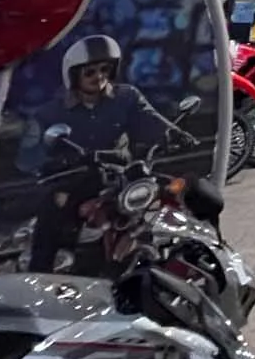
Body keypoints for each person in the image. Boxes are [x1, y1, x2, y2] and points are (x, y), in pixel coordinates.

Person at [19, 35, 172, 273]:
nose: (99, 76)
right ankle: (39, 277)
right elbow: (27, 158)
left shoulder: (126, 98)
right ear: (74, 76)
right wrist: (57, 160)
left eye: (104, 69)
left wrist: (174, 134)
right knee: (51, 216)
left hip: (120, 179)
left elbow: (150, 120)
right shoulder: (50, 113)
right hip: (75, 184)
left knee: (164, 203)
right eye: (89, 72)